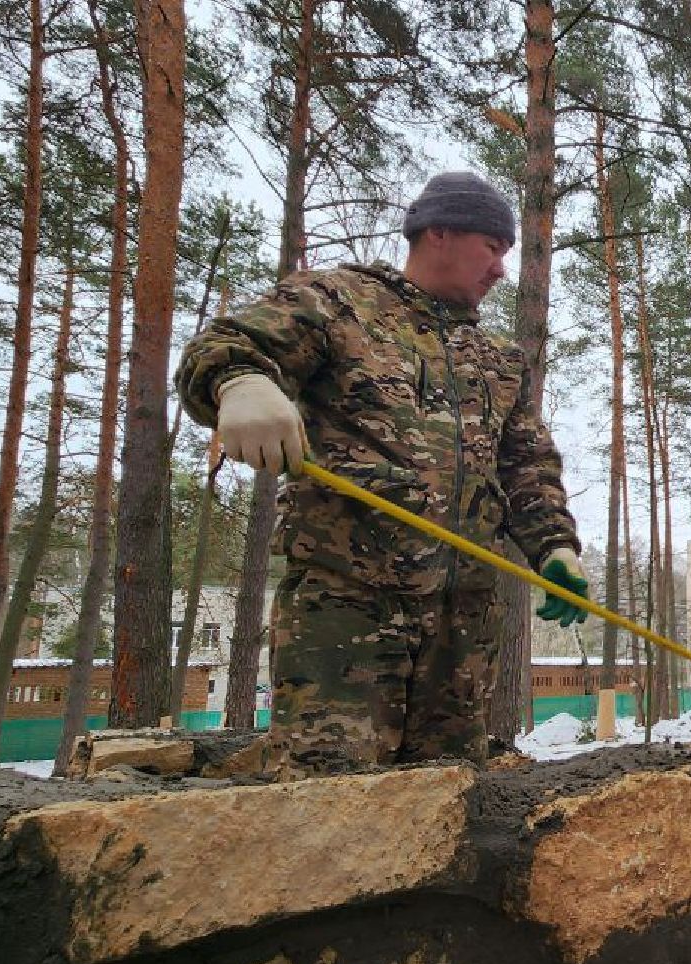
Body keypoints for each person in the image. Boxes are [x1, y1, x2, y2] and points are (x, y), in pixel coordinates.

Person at [175, 171, 588, 772]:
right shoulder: (338, 301)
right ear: (438, 232)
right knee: (332, 792)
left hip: (463, 625)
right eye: (493, 248)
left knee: (449, 798)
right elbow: (229, 344)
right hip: (348, 607)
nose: (501, 269)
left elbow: (526, 464)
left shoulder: (498, 359)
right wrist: (240, 382)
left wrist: (555, 546)